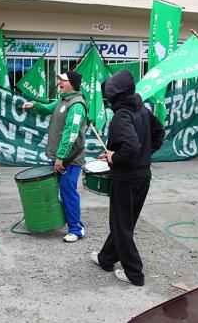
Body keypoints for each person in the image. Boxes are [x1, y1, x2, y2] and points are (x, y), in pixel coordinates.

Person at [90, 70, 164, 286]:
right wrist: (143, 156)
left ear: (114, 95)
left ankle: (134, 273)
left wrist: (115, 158)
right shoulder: (142, 109)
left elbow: (130, 146)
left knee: (121, 225)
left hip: (126, 178)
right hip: (143, 175)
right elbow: (159, 133)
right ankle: (106, 259)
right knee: (125, 223)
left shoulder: (121, 116)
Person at [23, 70, 87, 243]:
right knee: (59, 190)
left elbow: (71, 134)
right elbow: (47, 108)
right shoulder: (62, 100)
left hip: (70, 159)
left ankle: (76, 228)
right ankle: (67, 221)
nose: (59, 82)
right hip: (61, 157)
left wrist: (60, 157)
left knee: (68, 191)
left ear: (72, 84)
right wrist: (34, 106)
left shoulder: (77, 105)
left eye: (63, 80)